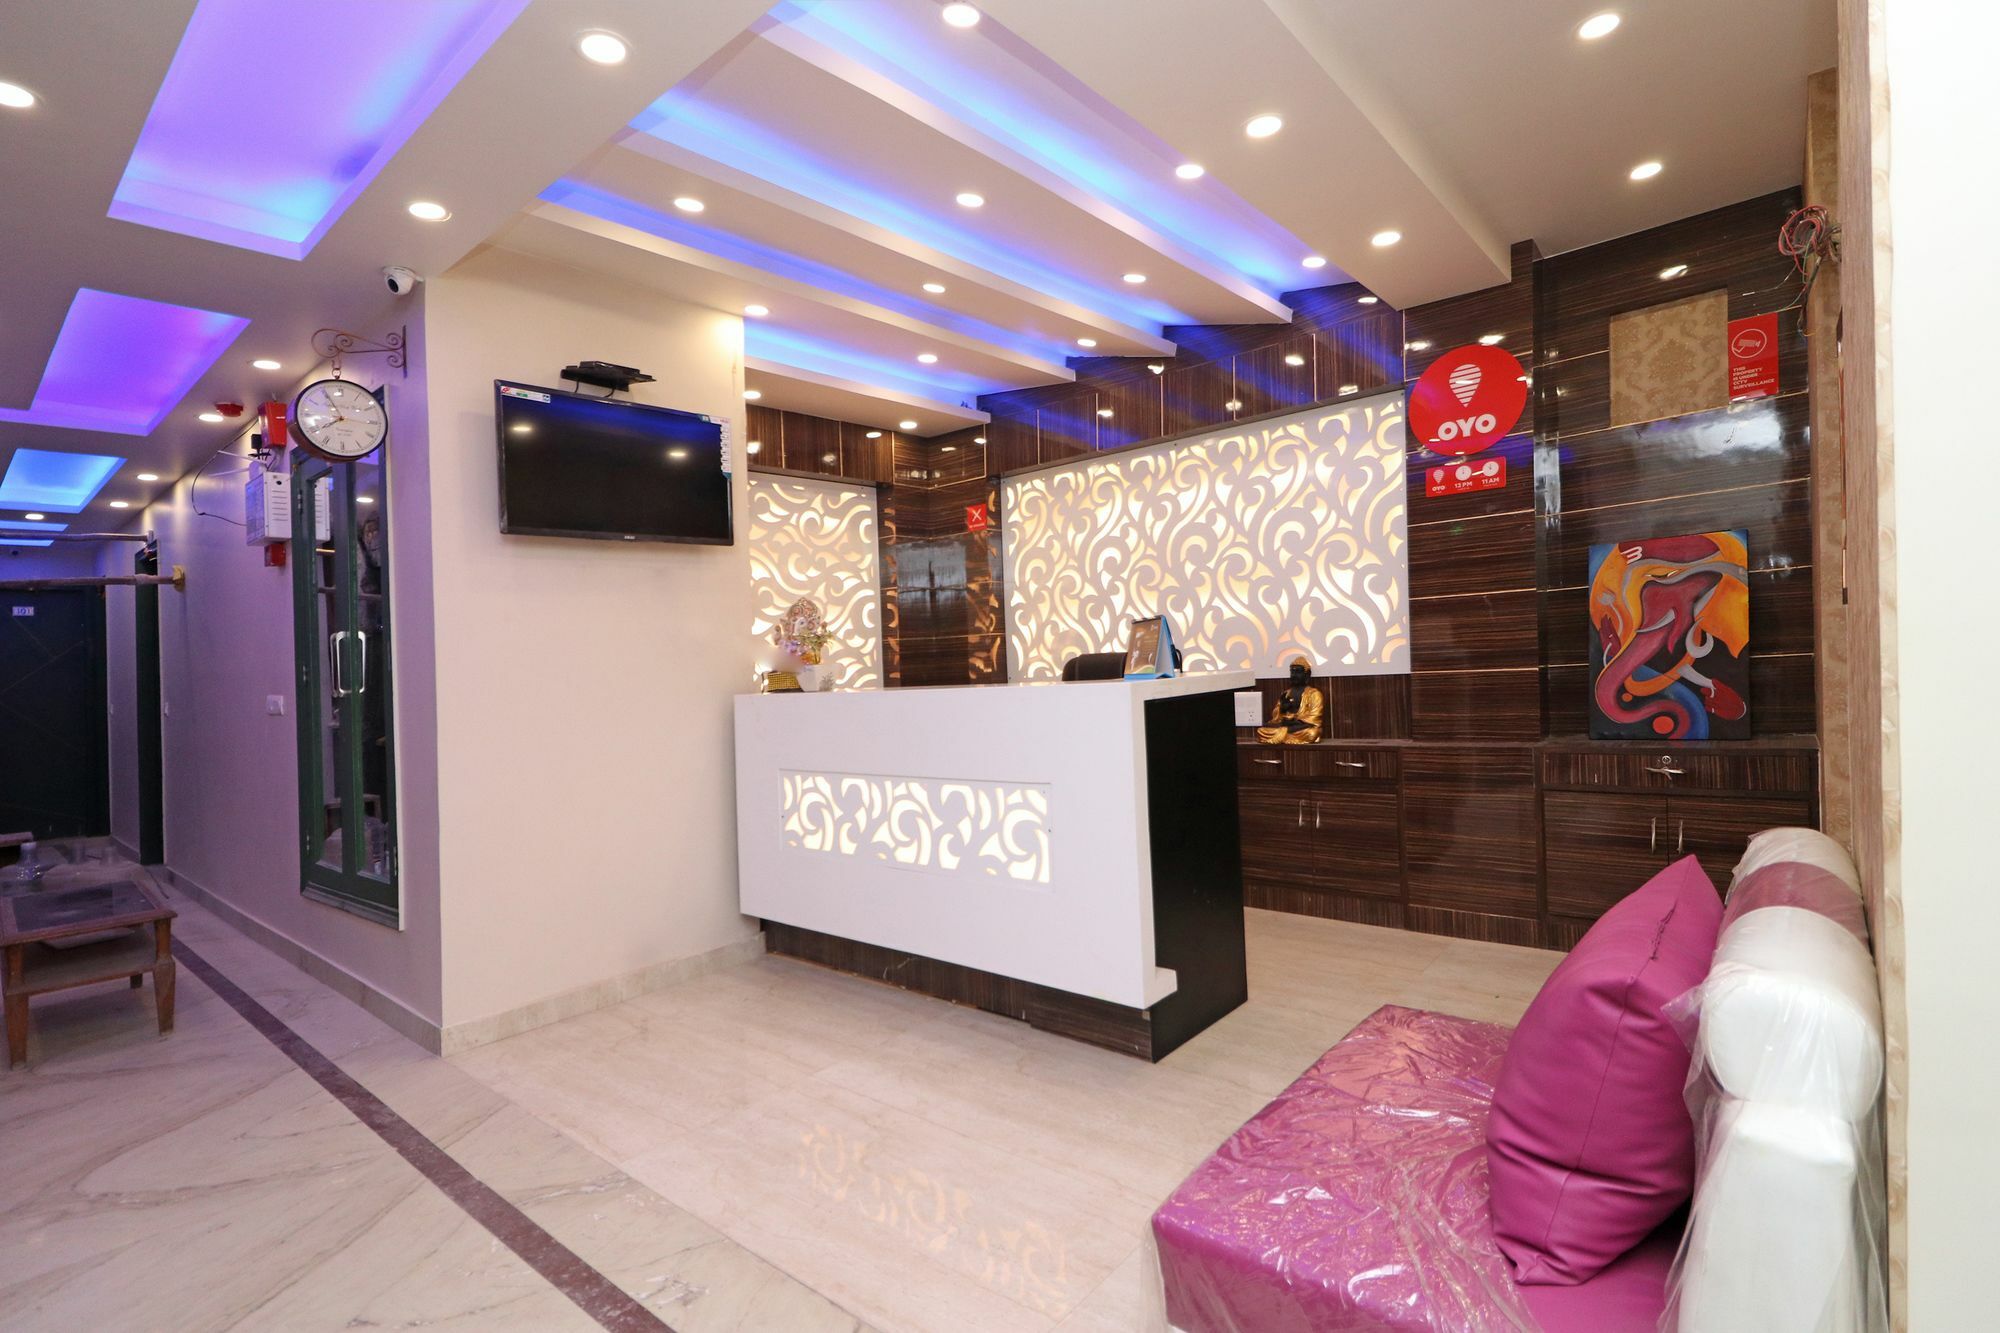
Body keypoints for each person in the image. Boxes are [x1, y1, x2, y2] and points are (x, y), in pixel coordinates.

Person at [1255, 657, 1324, 745]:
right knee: (1261, 731)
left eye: (1298, 672)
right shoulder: (1286, 694)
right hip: (1288, 726)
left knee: (1312, 733)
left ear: (1307, 674)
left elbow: (1315, 718)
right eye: (1292, 672)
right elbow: (1276, 717)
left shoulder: (1314, 694)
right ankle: (1286, 733)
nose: (1294, 675)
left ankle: (1284, 733)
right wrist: (1282, 709)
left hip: (1300, 727)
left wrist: (1295, 722)